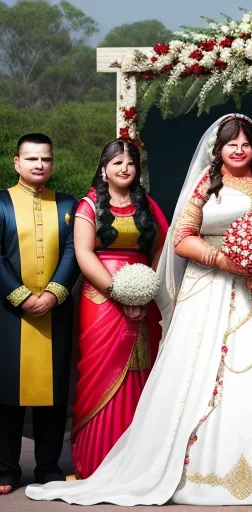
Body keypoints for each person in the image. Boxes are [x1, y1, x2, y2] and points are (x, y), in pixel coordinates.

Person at [26, 114, 252, 506]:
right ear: (217, 149)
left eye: (245, 143)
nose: (239, 149)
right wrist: (225, 260)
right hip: (214, 288)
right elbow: (181, 239)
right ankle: (198, 471)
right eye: (231, 143)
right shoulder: (206, 185)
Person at [70, 139, 168, 479]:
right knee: (100, 374)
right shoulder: (88, 206)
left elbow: (161, 251)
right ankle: (96, 461)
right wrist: (119, 293)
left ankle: (138, 463)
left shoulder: (149, 206)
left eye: (130, 163)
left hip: (144, 299)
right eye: (117, 163)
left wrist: (145, 292)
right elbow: (84, 254)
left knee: (143, 371)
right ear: (104, 168)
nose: (125, 168)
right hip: (102, 299)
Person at [0, 133, 78, 494]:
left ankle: (48, 466)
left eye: (45, 159)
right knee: (6, 392)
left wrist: (54, 293)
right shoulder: (1, 203)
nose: (39, 165)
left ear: (53, 163)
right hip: (8, 313)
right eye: (31, 159)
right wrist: (20, 296)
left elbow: (72, 252)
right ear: (17, 162)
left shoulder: (67, 205)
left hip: (55, 309)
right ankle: (6, 469)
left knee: (54, 390)